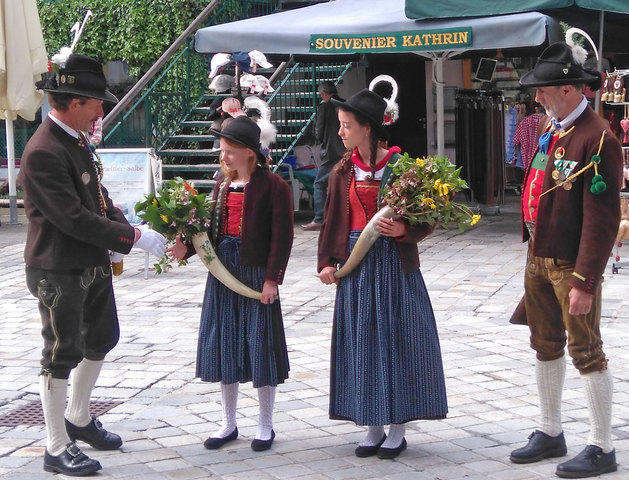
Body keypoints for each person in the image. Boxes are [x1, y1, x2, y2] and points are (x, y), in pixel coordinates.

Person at [19, 53, 167, 476]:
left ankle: (78, 417)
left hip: (90, 261)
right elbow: (72, 218)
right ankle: (55, 445)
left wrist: (126, 225)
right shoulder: (44, 149)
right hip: (59, 268)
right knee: (61, 352)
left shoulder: (75, 139)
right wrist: (132, 238)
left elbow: (98, 199)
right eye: (96, 101)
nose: (102, 108)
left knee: (101, 337)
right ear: (74, 102)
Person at [510, 39, 622, 479]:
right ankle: (550, 431)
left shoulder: (599, 139)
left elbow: (602, 220)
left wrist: (585, 281)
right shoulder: (554, 129)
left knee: (586, 351)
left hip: (570, 265)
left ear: (571, 90)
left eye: (544, 89)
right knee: (545, 344)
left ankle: (603, 446)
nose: (537, 96)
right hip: (539, 255)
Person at [316, 88, 447, 459]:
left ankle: (398, 427)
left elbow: (429, 215)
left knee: (397, 339)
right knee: (363, 341)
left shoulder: (401, 166)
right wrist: (327, 262)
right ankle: (372, 424)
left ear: (368, 129)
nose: (340, 132)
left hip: (393, 264)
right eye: (340, 126)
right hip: (357, 267)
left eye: (346, 126)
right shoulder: (342, 171)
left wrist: (406, 231)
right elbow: (330, 222)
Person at [168, 116, 293, 452]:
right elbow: (205, 230)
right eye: (221, 151)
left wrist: (272, 279)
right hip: (222, 275)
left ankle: (265, 424)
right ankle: (228, 422)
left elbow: (282, 237)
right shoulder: (221, 186)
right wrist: (183, 250)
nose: (223, 158)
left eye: (229, 152)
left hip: (254, 275)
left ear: (250, 153)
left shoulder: (274, 187)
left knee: (260, 344)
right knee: (227, 344)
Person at [302, 81, 345, 230]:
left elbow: (319, 133)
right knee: (343, 183)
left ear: (323, 94)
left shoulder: (324, 107)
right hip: (347, 149)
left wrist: (318, 139)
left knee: (319, 183)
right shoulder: (345, 104)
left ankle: (319, 218)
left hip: (331, 151)